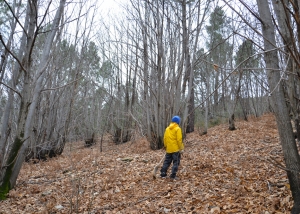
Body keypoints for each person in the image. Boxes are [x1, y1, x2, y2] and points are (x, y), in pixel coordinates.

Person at [160, 115, 184, 180]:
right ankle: (173, 176)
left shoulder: (167, 129)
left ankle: (163, 173)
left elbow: (165, 138)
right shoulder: (178, 129)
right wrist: (181, 148)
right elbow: (179, 140)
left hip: (169, 149)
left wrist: (165, 146)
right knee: (176, 162)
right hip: (176, 149)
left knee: (167, 162)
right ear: (178, 122)